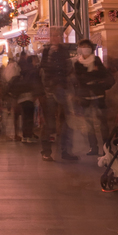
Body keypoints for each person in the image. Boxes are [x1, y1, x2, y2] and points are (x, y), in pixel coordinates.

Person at [39, 27, 78, 162]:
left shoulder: (63, 51)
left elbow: (67, 69)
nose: (55, 38)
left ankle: (65, 150)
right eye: (53, 36)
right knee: (49, 122)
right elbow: (44, 69)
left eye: (57, 36)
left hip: (62, 89)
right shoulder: (46, 51)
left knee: (66, 122)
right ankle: (46, 151)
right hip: (51, 90)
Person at [73, 39, 114, 155]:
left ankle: (107, 148)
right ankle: (93, 147)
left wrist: (90, 77)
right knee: (89, 124)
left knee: (103, 123)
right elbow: (80, 79)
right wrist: (94, 77)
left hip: (98, 96)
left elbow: (102, 74)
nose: (85, 49)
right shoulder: (77, 63)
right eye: (82, 47)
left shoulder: (96, 60)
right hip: (85, 97)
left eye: (87, 46)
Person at [15, 54, 41, 143]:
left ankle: (25, 136)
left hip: (21, 96)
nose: (37, 61)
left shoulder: (23, 70)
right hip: (29, 96)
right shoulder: (33, 71)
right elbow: (34, 84)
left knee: (25, 117)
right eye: (35, 60)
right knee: (29, 117)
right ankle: (28, 136)